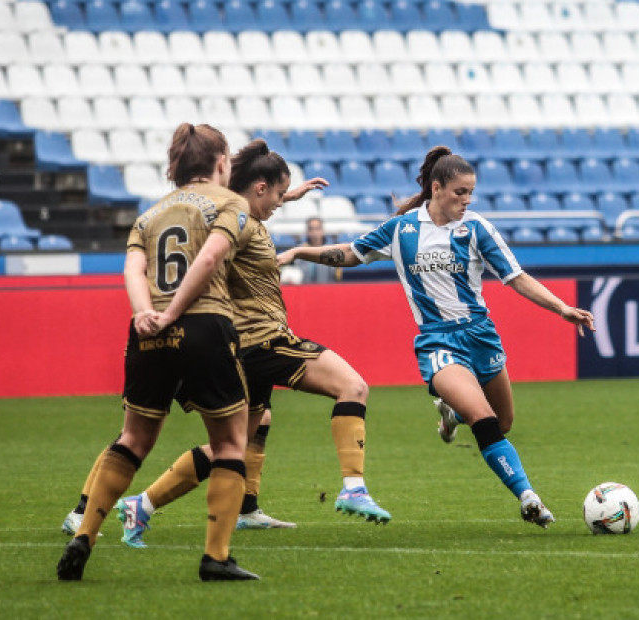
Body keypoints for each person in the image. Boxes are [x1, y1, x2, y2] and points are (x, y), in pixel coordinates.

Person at [66, 141, 392, 549]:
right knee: (353, 386)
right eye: (274, 194)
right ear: (258, 189)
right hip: (262, 340)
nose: (278, 203)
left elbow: (237, 209)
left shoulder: (235, 214)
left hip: (238, 346)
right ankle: (353, 487)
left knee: (234, 442)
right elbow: (214, 245)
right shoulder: (236, 222)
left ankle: (143, 505)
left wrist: (284, 196)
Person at [277, 146, 596, 528]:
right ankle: (529, 497)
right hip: (438, 343)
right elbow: (350, 252)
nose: (466, 200)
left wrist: (561, 308)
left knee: (503, 422)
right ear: (437, 188)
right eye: (460, 192)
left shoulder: (476, 228)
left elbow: (516, 276)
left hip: (481, 337)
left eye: (470, 193)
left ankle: (451, 413)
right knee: (485, 420)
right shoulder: (403, 229)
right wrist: (298, 252)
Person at [57, 123, 260, 581]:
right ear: (222, 162)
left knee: (133, 439)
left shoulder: (149, 215)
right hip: (206, 324)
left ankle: (84, 535)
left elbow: (133, 266)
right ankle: (217, 558)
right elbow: (208, 259)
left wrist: (147, 313)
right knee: (231, 442)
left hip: (147, 333)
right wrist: (176, 313)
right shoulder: (230, 202)